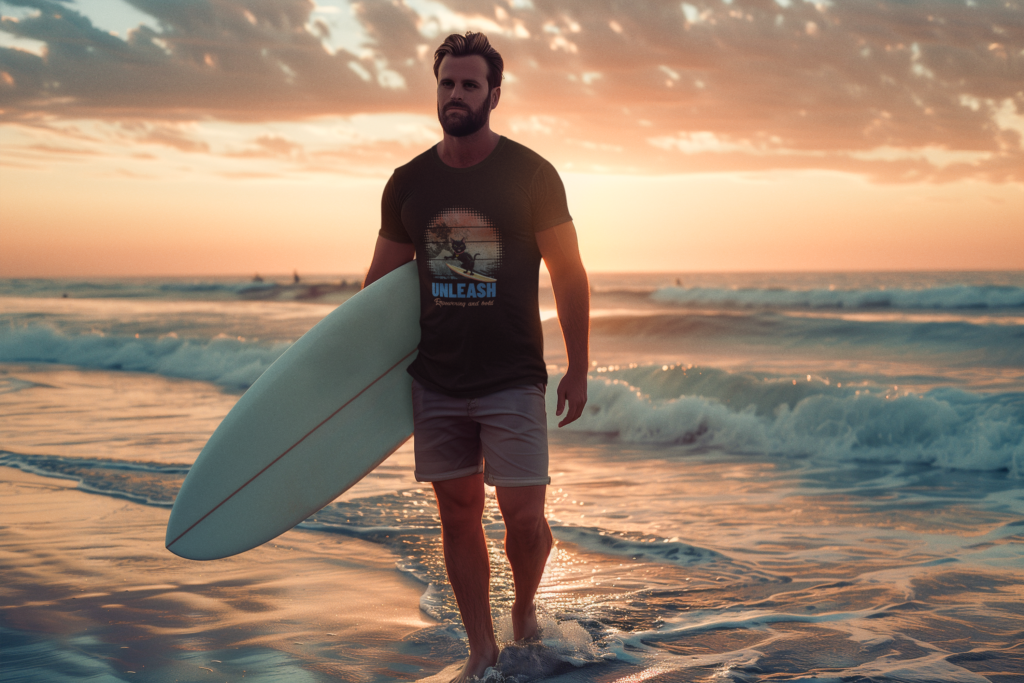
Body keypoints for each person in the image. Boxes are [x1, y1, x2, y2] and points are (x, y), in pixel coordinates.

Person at [363, 31, 590, 683]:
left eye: (468, 84)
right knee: (458, 513)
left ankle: (523, 606)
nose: (455, 94)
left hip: (512, 375)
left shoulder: (531, 174)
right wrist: (367, 379)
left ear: (494, 92)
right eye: (446, 83)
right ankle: (481, 648)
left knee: (524, 516)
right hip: (435, 379)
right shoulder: (409, 182)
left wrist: (577, 365)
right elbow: (378, 286)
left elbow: (570, 274)